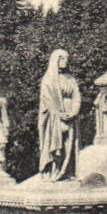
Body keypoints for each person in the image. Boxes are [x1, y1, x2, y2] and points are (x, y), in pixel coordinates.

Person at [37, 50, 82, 181]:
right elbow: (47, 99)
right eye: (62, 58)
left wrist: (73, 112)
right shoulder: (48, 79)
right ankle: (53, 171)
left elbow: (76, 96)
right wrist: (58, 113)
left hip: (70, 114)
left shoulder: (70, 78)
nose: (65, 61)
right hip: (54, 117)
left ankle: (67, 172)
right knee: (55, 144)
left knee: (69, 144)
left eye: (66, 58)